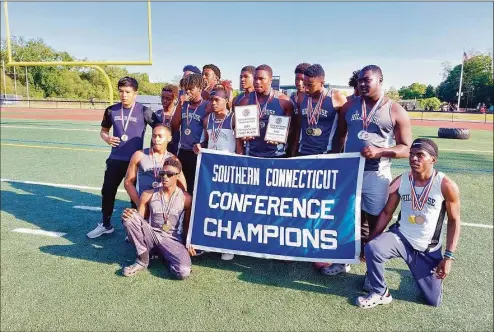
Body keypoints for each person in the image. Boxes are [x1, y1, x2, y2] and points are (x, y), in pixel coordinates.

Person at [326, 65, 412, 275]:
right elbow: (340, 137)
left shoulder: (395, 110)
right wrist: (334, 161)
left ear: (380, 81)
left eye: (367, 80)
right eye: (360, 81)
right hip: (349, 172)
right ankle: (342, 259)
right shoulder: (349, 106)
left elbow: (406, 149)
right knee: (347, 218)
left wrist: (380, 151)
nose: (362, 84)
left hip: (377, 173)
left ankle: (372, 266)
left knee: (375, 220)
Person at [356, 138, 461, 308]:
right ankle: (380, 292)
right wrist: (371, 239)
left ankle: (420, 273)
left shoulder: (445, 185)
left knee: (433, 301)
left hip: (427, 249)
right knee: (373, 248)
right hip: (401, 238)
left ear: (433, 159)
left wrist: (449, 257)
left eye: (420, 155)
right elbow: (386, 213)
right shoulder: (401, 180)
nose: (413, 159)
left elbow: (454, 221)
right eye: (411, 154)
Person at [87, 76, 156, 239]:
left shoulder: (144, 111)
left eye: (127, 92)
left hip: (135, 161)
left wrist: (152, 149)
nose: (123, 95)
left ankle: (134, 228)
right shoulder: (111, 110)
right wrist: (107, 138)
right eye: (121, 91)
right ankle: (105, 224)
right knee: (108, 191)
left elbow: (159, 129)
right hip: (115, 159)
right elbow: (104, 130)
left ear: (135, 93)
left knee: (135, 196)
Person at [120, 157, 196, 279]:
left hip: (172, 240)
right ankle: (143, 259)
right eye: (163, 173)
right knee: (130, 217)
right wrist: (130, 214)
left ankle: (164, 256)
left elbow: (187, 224)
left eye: (170, 174)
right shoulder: (148, 194)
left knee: (184, 272)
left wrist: (189, 241)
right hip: (152, 235)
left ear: (177, 176)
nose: (165, 177)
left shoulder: (186, 198)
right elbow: (139, 220)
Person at [194, 81, 239, 261]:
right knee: (212, 205)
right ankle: (210, 242)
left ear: (227, 101)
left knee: (229, 207)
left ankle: (228, 245)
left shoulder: (234, 118)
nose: (212, 103)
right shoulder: (207, 120)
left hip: (230, 168)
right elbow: (205, 141)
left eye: (217, 100)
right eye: (211, 100)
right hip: (212, 169)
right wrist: (200, 146)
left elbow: (241, 146)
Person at [237, 64, 295, 158]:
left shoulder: (284, 102)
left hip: (276, 155)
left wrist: (283, 135)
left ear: (270, 80)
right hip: (251, 154)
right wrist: (242, 136)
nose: (257, 82)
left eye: (261, 78)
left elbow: (292, 129)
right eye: (255, 78)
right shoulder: (244, 101)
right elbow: (238, 132)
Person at [124, 124, 187, 208]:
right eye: (154, 136)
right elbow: (128, 182)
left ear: (169, 138)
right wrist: (139, 203)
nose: (156, 139)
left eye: (160, 136)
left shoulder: (173, 159)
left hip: (163, 206)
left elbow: (182, 185)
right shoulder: (139, 155)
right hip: (144, 203)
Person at [293, 64, 347, 157]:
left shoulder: (336, 98)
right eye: (305, 85)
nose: (305, 89)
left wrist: (336, 155)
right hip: (303, 152)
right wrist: (293, 152)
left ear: (322, 82)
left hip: (326, 153)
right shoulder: (301, 98)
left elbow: (343, 131)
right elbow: (298, 128)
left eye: (310, 85)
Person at [171, 73, 208, 194]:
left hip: (197, 152)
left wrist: (202, 145)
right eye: (186, 89)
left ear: (200, 89)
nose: (188, 92)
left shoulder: (207, 105)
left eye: (191, 89)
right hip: (183, 151)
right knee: (180, 186)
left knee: (194, 188)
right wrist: (179, 105)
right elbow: (174, 126)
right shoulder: (184, 105)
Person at [154, 84, 181, 155]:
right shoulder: (157, 114)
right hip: (158, 152)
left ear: (175, 99)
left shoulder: (179, 115)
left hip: (175, 152)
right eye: (162, 98)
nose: (164, 101)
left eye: (168, 98)